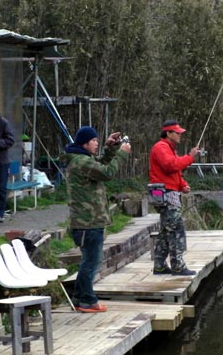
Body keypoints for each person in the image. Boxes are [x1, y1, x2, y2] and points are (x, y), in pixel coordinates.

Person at [59, 126, 131, 313]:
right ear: (84, 143)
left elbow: (100, 167)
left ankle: (79, 298)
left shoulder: (82, 160)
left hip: (87, 222)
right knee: (90, 262)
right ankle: (88, 301)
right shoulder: (82, 161)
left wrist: (110, 148)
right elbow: (107, 172)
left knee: (88, 261)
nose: (97, 143)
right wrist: (122, 154)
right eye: (94, 141)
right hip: (88, 223)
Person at [149, 120, 199, 276]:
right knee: (176, 229)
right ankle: (177, 266)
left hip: (168, 192)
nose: (180, 135)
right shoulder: (161, 147)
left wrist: (182, 185)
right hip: (165, 194)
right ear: (168, 133)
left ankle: (159, 266)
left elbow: (174, 172)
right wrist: (190, 157)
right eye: (177, 132)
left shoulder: (169, 149)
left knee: (166, 230)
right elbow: (170, 166)